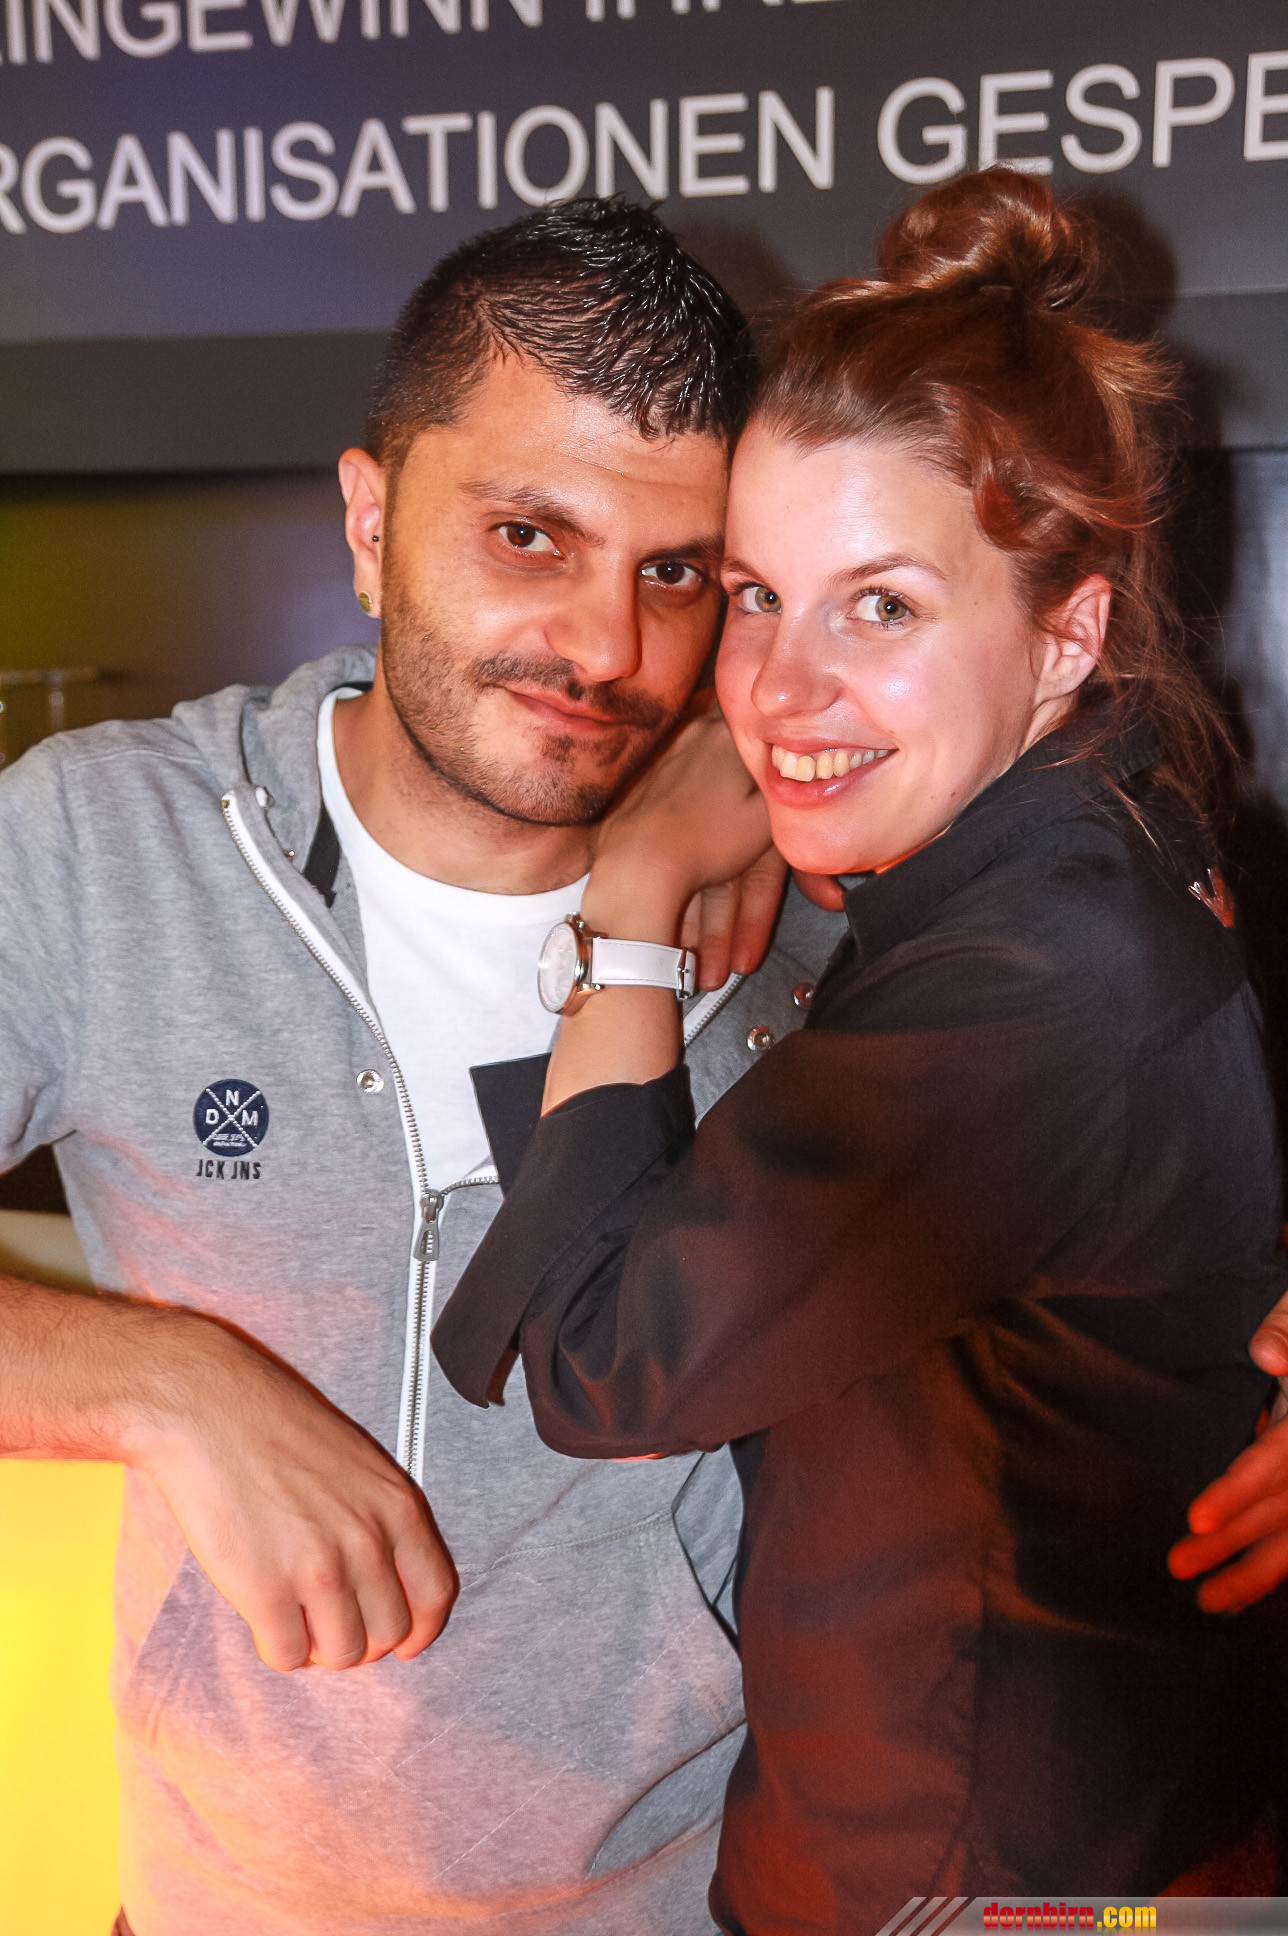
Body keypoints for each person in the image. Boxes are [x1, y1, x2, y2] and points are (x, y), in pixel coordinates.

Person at [433, 170, 1285, 1930]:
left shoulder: (1033, 970)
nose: (779, 688)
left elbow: (598, 1362)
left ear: (1067, 633)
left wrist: (637, 892)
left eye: (880, 606)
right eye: (759, 595)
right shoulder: (1081, 844)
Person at [0, 199, 849, 1935]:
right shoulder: (100, 847)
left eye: (675, 573)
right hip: (217, 1902)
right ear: (372, 523)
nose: (608, 648)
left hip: (699, 1895)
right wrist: (167, 1383)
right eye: (531, 534)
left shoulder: (810, 894)